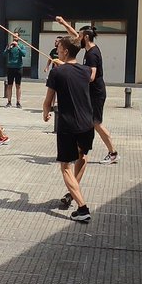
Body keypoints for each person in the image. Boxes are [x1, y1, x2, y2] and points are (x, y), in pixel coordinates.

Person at [44, 36, 94, 223]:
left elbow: (49, 101)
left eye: (59, 48)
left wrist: (45, 113)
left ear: (65, 51)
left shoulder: (56, 73)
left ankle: (83, 208)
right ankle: (73, 192)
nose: (57, 50)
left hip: (68, 125)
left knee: (66, 167)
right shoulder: (86, 71)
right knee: (83, 157)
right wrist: (63, 66)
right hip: (87, 123)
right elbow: (74, 73)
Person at [56, 16, 118, 164]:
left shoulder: (92, 54)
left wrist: (71, 69)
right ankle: (80, 150)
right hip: (92, 92)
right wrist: (64, 23)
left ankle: (113, 152)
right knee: (90, 122)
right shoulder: (89, 49)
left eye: (81, 36)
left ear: (87, 37)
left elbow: (91, 76)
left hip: (96, 93)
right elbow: (74, 36)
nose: (79, 38)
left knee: (96, 123)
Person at [3, 33, 26, 108]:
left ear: (19, 37)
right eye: (14, 36)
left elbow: (24, 54)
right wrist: (9, 47)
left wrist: (18, 47)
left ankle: (18, 102)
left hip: (18, 67)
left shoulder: (21, 46)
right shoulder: (10, 45)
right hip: (10, 67)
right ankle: (9, 102)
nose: (15, 37)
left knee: (18, 85)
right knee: (9, 85)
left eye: (16, 36)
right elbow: (4, 54)